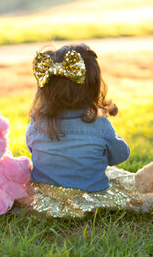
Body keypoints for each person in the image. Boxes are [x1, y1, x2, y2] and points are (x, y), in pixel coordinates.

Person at [26, 43, 130, 192]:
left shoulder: (37, 122)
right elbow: (120, 155)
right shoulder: (100, 124)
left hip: (45, 194)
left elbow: (31, 148)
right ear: (93, 87)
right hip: (90, 193)